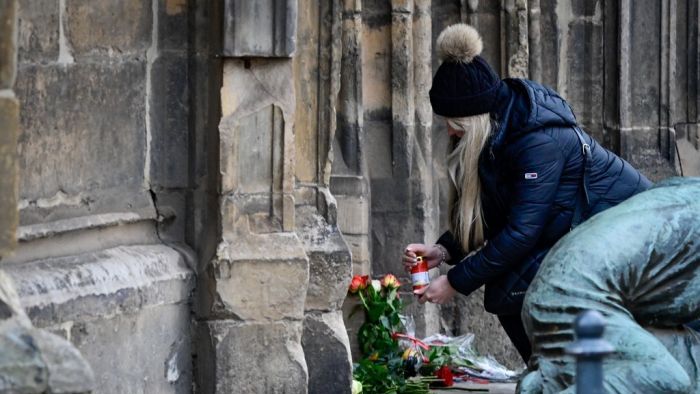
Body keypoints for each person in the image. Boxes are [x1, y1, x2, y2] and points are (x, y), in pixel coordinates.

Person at [402, 23, 651, 363]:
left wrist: (455, 283)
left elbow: (521, 231)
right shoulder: (502, 131)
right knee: (509, 290)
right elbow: (497, 210)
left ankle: (550, 378)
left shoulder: (536, 142)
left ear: (476, 118)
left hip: (635, 239)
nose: (450, 131)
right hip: (582, 237)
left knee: (511, 289)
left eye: (456, 124)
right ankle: (548, 377)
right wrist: (443, 250)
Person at [519, 177, 700, 393]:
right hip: (577, 296)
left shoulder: (686, 191)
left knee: (686, 352)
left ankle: (549, 380)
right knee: (669, 378)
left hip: (555, 286)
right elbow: (680, 301)